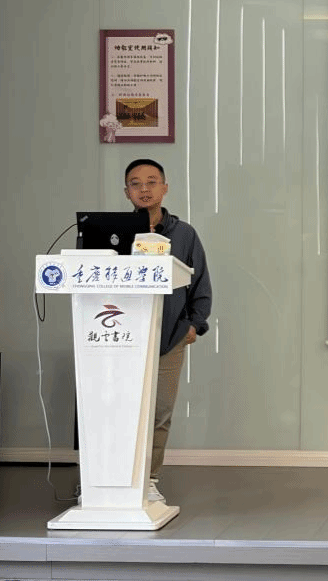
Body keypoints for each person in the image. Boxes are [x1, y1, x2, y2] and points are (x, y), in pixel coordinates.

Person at [123, 158, 212, 504]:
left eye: (151, 182)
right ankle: (112, 478)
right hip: (122, 336)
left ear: (164, 188)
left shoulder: (184, 234)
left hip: (169, 337)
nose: (144, 189)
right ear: (127, 192)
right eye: (135, 183)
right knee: (121, 410)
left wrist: (194, 325)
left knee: (159, 413)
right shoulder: (114, 232)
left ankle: (149, 478)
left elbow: (200, 285)